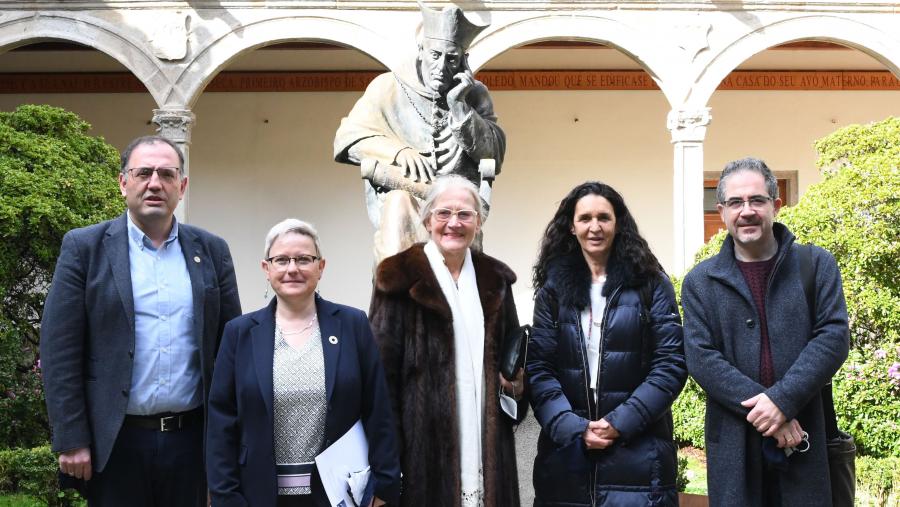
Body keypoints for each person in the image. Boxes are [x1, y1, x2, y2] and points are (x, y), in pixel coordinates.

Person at [40, 135, 242, 506]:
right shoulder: (85, 248)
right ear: (123, 183)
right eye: (144, 172)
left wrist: (230, 441)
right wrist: (71, 437)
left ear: (181, 187)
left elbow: (232, 350)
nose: (154, 183)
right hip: (115, 443)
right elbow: (59, 350)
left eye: (166, 174)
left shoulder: (212, 251)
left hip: (191, 442)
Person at [681, 157, 850, 506]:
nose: (747, 211)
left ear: (775, 205)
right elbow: (701, 358)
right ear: (723, 211)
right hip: (734, 444)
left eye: (757, 200)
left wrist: (783, 401)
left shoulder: (816, 264)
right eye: (736, 202)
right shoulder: (701, 281)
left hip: (805, 435)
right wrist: (772, 413)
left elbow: (833, 338)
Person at [206, 219, 401, 507]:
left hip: (339, 495)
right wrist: (226, 496)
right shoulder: (239, 333)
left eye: (303, 259)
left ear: (321, 267)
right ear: (266, 269)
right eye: (281, 260)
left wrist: (385, 488)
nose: (292, 268)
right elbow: (221, 423)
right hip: (257, 495)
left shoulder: (352, 324)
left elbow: (378, 410)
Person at [369, 175, 525, 507]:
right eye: (443, 213)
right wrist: (385, 466)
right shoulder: (398, 276)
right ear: (427, 219)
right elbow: (381, 380)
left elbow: (515, 362)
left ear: (478, 222)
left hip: (490, 451)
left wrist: (515, 386)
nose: (453, 223)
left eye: (464, 214)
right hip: (420, 457)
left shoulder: (496, 280)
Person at [527, 181, 687, 506]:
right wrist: (572, 427)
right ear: (571, 227)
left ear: (618, 223)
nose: (595, 227)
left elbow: (670, 364)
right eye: (585, 218)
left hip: (640, 456)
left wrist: (619, 423)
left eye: (604, 217)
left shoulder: (651, 284)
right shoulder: (553, 291)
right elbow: (539, 368)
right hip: (567, 460)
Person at [334, 2, 505, 262]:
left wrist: (459, 106)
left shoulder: (475, 94)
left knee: (457, 215)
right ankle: (397, 294)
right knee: (399, 204)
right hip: (406, 191)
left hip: (456, 201)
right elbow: (348, 139)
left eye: (452, 59)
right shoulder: (388, 86)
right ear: (422, 51)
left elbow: (493, 153)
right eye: (435, 55)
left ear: (462, 61)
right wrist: (397, 151)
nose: (442, 66)